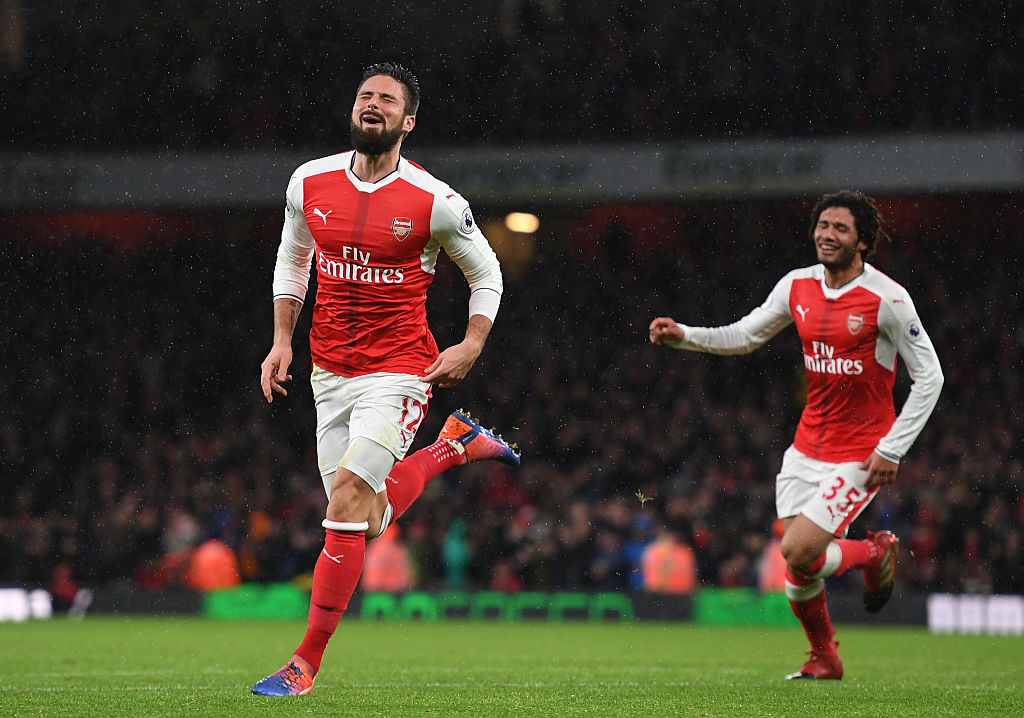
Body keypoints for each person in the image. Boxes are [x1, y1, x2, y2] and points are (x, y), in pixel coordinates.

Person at [252, 62, 520, 697]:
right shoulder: (308, 181)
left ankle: (304, 664)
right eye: (365, 96)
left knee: (344, 500)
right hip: (328, 372)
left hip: (400, 371)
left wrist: (471, 343)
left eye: (386, 100)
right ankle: (454, 446)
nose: (372, 105)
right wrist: (282, 338)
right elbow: (293, 258)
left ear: (408, 121)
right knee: (364, 521)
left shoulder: (437, 201)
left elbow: (489, 275)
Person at [649, 190, 943, 680]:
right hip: (806, 448)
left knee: (798, 550)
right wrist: (686, 335)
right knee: (799, 571)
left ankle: (876, 553)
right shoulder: (797, 286)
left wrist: (891, 449)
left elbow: (930, 376)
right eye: (823, 225)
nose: (827, 235)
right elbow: (745, 335)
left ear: (863, 241)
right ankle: (824, 657)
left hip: (862, 450)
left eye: (841, 228)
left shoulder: (888, 299)